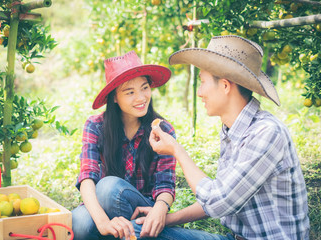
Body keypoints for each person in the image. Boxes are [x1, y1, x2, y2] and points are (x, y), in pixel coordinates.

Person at [131, 35, 310, 240]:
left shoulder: (267, 133)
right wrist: (167, 219)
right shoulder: (232, 129)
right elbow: (223, 194)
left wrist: (177, 151)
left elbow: (218, 201)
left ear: (225, 86)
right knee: (138, 230)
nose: (199, 92)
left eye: (203, 82)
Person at [72, 50, 177, 240]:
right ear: (114, 97)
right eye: (130, 92)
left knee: (109, 187)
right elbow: (87, 177)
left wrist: (160, 209)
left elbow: (166, 183)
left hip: (142, 208)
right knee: (79, 222)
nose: (141, 98)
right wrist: (103, 222)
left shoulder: (162, 130)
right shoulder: (96, 126)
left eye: (145, 88)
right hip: (103, 203)